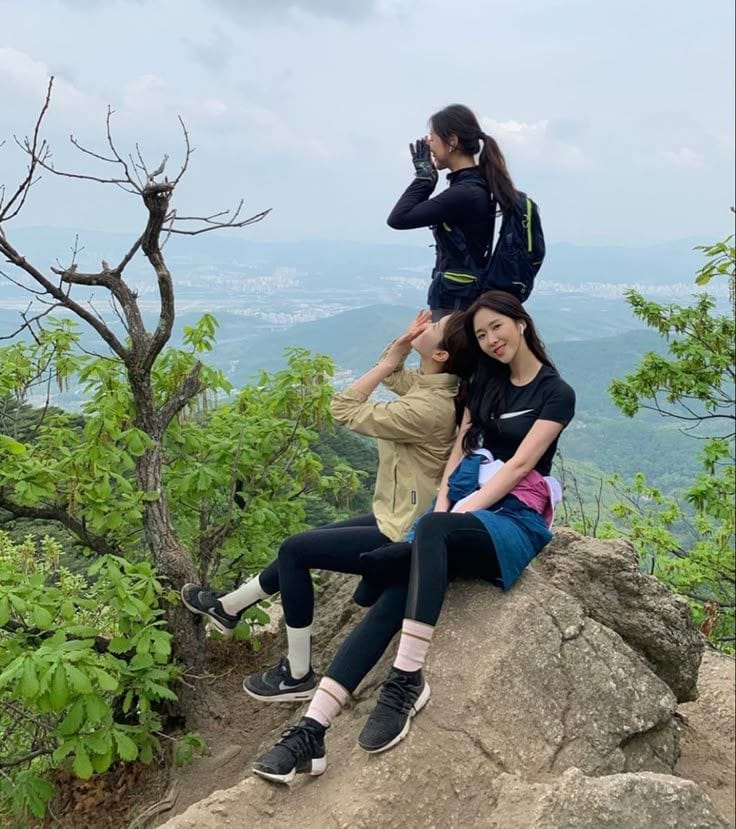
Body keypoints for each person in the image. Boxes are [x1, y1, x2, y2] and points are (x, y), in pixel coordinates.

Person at [251, 291, 575, 783]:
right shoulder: (484, 383)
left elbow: (521, 465)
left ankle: (406, 678)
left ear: (521, 323)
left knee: (422, 543)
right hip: (460, 512)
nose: (491, 339)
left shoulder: (555, 393)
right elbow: (460, 451)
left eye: (497, 326)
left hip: (513, 521)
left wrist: (455, 515)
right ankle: (311, 730)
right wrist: (442, 507)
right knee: (400, 586)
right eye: (482, 334)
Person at [181, 310, 471, 702]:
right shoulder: (434, 387)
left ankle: (297, 675)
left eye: (433, 327)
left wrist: (391, 359)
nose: (424, 324)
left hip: (404, 528)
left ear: (441, 354)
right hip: (396, 512)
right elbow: (394, 376)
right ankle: (227, 608)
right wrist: (400, 349)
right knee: (306, 542)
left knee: (295, 551)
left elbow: (343, 408)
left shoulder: (429, 408)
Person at [387, 104, 518, 320]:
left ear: (453, 141)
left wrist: (424, 179)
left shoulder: (465, 193)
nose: (428, 143)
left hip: (455, 304)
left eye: (432, 137)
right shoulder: (474, 186)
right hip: (461, 298)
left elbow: (398, 219)